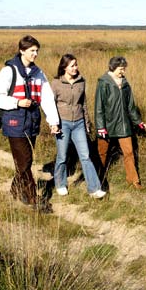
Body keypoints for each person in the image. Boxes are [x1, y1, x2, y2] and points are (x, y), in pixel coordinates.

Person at [0, 35, 60, 212]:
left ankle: (15, 190)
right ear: (22, 51)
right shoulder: (9, 71)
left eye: (37, 51)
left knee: (23, 162)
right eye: (32, 51)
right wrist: (17, 103)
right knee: (25, 161)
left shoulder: (39, 73)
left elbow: (47, 99)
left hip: (33, 122)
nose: (35, 54)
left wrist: (53, 121)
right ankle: (32, 198)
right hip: (14, 121)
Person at [51, 54, 106, 199]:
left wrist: (87, 123)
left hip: (79, 123)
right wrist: (53, 123)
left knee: (85, 156)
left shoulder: (81, 81)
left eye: (76, 65)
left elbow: (84, 104)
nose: (75, 68)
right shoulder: (56, 83)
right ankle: (60, 183)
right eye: (72, 66)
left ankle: (94, 189)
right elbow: (50, 105)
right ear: (64, 67)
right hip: (63, 123)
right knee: (62, 156)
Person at [95, 56, 146, 190]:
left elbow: (131, 107)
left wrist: (139, 122)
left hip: (124, 125)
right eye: (121, 69)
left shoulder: (125, 84)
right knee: (102, 153)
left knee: (129, 153)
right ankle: (98, 179)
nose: (123, 72)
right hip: (107, 125)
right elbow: (99, 107)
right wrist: (101, 127)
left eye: (124, 69)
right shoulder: (103, 82)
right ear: (113, 68)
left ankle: (134, 180)